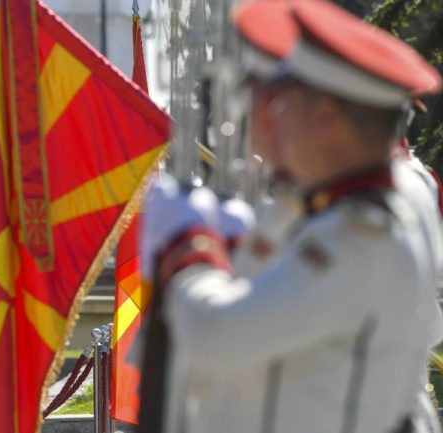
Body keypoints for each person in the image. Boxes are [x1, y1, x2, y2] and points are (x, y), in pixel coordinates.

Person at [140, 1, 443, 432]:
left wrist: (188, 243)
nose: (274, 117)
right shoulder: (382, 195)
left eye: (285, 102)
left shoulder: (362, 237)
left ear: (324, 118)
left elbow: (218, 334)